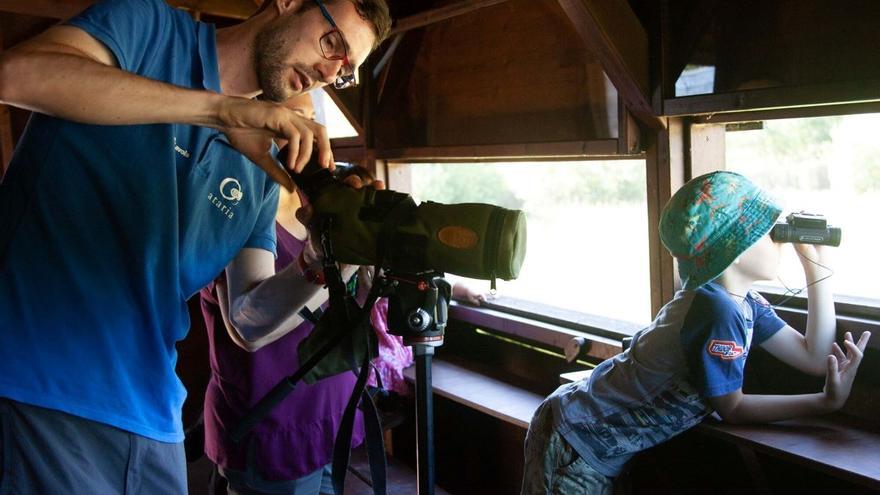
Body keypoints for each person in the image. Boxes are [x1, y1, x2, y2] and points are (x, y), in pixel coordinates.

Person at [0, 0, 391, 492]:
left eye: (345, 69)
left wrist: (319, 261)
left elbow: (247, 320)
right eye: (331, 42)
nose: (327, 69)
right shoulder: (147, 28)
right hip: (37, 382)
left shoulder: (260, 168)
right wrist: (219, 109)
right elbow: (15, 76)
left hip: (152, 412)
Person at [521, 171, 871, 494]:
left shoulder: (741, 301)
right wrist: (826, 402)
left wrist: (816, 265)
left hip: (586, 434)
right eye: (767, 231)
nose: (778, 239)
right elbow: (732, 407)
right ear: (735, 250)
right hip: (576, 438)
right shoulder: (718, 309)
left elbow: (813, 355)